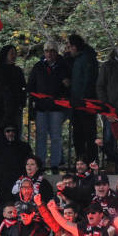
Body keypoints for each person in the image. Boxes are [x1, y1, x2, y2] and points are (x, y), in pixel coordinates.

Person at [27, 40, 70, 173]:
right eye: (46, 51)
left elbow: (69, 87)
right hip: (41, 107)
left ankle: (55, 165)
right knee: (40, 137)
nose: (49, 54)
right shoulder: (38, 66)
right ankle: (39, 165)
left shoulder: (64, 66)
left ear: (56, 53)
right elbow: (31, 86)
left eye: (52, 51)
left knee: (56, 136)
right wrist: (34, 102)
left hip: (57, 107)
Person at [65, 34, 99, 164]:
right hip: (78, 102)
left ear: (75, 47)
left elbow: (88, 81)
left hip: (85, 103)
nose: (68, 49)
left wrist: (83, 99)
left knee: (88, 135)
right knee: (78, 134)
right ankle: (81, 162)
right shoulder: (80, 58)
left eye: (69, 47)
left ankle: (90, 162)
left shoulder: (87, 59)